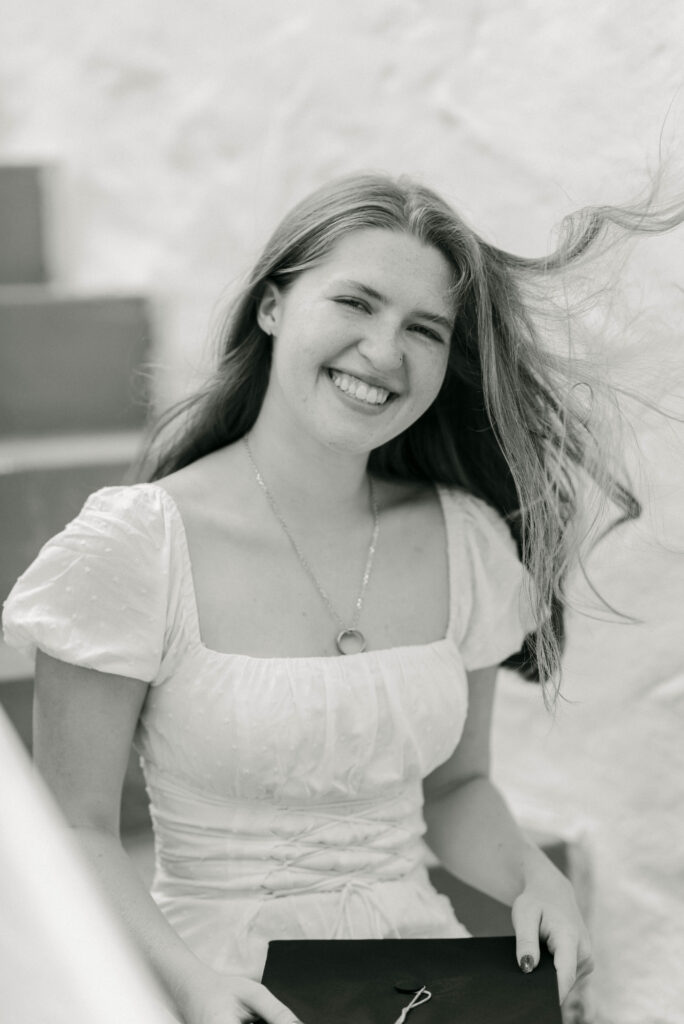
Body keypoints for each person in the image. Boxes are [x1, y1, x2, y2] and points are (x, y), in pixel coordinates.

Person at [4, 172, 679, 1024]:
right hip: (218, 987)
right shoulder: (135, 548)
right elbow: (77, 830)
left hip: (419, 987)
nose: (384, 352)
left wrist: (532, 877)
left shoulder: (465, 538)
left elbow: (457, 787)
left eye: (423, 330)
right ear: (272, 305)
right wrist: (190, 986)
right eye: (356, 303)